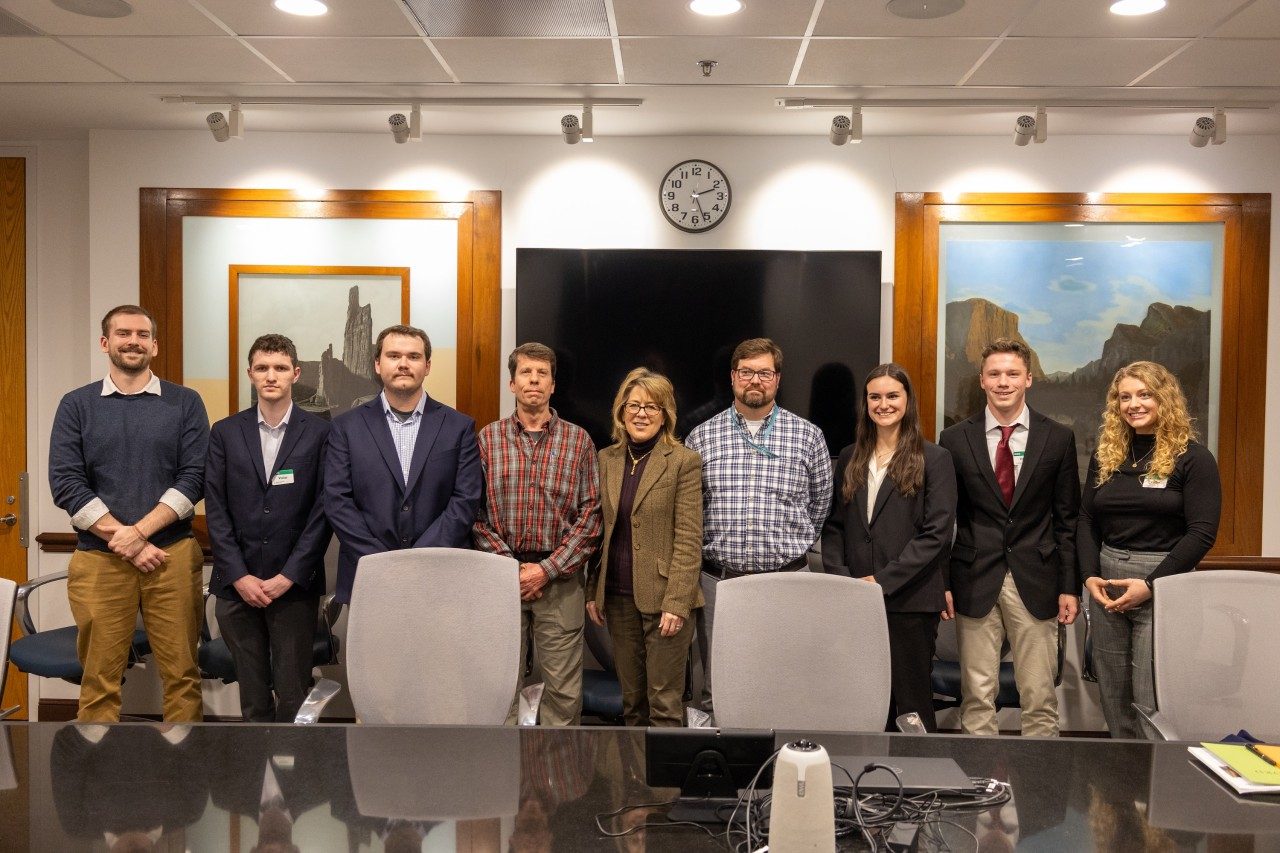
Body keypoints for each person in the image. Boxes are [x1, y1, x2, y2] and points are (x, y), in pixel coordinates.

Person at [49, 304, 209, 722]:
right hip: (100, 561)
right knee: (99, 679)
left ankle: (183, 779)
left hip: (171, 557)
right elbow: (66, 483)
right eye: (123, 334)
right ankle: (99, 782)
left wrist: (138, 533)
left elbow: (194, 478)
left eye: (142, 335)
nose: (133, 341)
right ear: (106, 343)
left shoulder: (185, 403)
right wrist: (128, 541)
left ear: (154, 346)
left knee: (183, 676)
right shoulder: (76, 405)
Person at [938, 338, 1079, 737]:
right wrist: (944, 582)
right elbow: (945, 520)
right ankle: (979, 795)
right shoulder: (954, 439)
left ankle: (1040, 795)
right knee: (977, 697)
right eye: (995, 374)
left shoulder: (1057, 438)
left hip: (1037, 579)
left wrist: (1069, 586)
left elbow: (1067, 520)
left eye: (1012, 374)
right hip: (974, 578)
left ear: (1029, 379)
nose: (1003, 382)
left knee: (1039, 697)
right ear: (982, 380)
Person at [685, 337, 833, 715]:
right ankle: (722, 767)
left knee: (785, 680)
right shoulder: (701, 436)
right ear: (733, 377)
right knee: (719, 685)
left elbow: (819, 508)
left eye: (764, 373)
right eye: (747, 372)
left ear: (777, 379)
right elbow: (690, 512)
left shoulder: (809, 436)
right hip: (718, 580)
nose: (755, 380)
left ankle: (782, 770)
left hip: (787, 579)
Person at [1078, 361, 1220, 739]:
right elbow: (1086, 520)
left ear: (1164, 399)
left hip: (1163, 584)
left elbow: (1202, 533)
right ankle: (1126, 792)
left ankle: (1155, 793)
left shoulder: (1194, 458)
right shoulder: (1106, 456)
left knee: (1150, 699)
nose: (1133, 404)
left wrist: (1151, 584)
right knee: (1113, 695)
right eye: (1125, 396)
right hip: (1106, 582)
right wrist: (1090, 575)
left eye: (1144, 395)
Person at [821, 363, 956, 732]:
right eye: (875, 397)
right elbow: (834, 526)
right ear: (865, 403)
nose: (883, 404)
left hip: (908, 601)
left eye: (892, 396)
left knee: (910, 704)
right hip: (854, 601)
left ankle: (919, 785)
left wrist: (879, 582)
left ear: (907, 401)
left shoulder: (935, 459)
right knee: (861, 702)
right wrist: (844, 581)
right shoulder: (850, 456)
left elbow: (936, 534)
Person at [205, 333, 332, 723]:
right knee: (253, 698)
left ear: (295, 373)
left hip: (294, 586)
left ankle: (295, 781)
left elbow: (323, 510)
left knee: (293, 693)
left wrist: (289, 576)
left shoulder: (321, 432)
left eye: (280, 368)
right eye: (262, 368)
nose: (271, 376)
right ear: (250, 374)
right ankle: (254, 781)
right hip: (237, 586)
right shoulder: (225, 433)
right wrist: (240, 575)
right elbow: (216, 509)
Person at [473, 343, 602, 726]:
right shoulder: (487, 439)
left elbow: (591, 515)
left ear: (552, 385)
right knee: (500, 688)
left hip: (560, 582)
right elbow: (474, 513)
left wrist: (545, 569)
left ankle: (556, 785)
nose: (534, 380)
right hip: (500, 579)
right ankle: (503, 780)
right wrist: (513, 569)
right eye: (526, 373)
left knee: (562, 694)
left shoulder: (579, 441)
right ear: (512, 383)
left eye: (541, 374)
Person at [323, 324, 483, 605]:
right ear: (377, 364)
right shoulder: (345, 428)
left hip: (441, 577)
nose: (403, 364)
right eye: (394, 355)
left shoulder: (459, 427)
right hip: (369, 576)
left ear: (428, 365)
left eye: (414, 356)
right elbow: (338, 501)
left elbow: (465, 501)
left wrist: (417, 561)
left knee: (438, 651)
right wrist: (383, 563)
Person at [586, 368, 703, 728]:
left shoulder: (682, 461)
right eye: (633, 405)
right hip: (618, 597)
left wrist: (678, 602)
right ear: (621, 412)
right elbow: (599, 530)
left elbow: (688, 536)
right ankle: (634, 784)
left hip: (665, 600)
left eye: (652, 407)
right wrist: (594, 589)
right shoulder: (606, 458)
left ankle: (665, 787)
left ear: (665, 413)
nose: (641, 413)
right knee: (631, 703)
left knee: (664, 705)